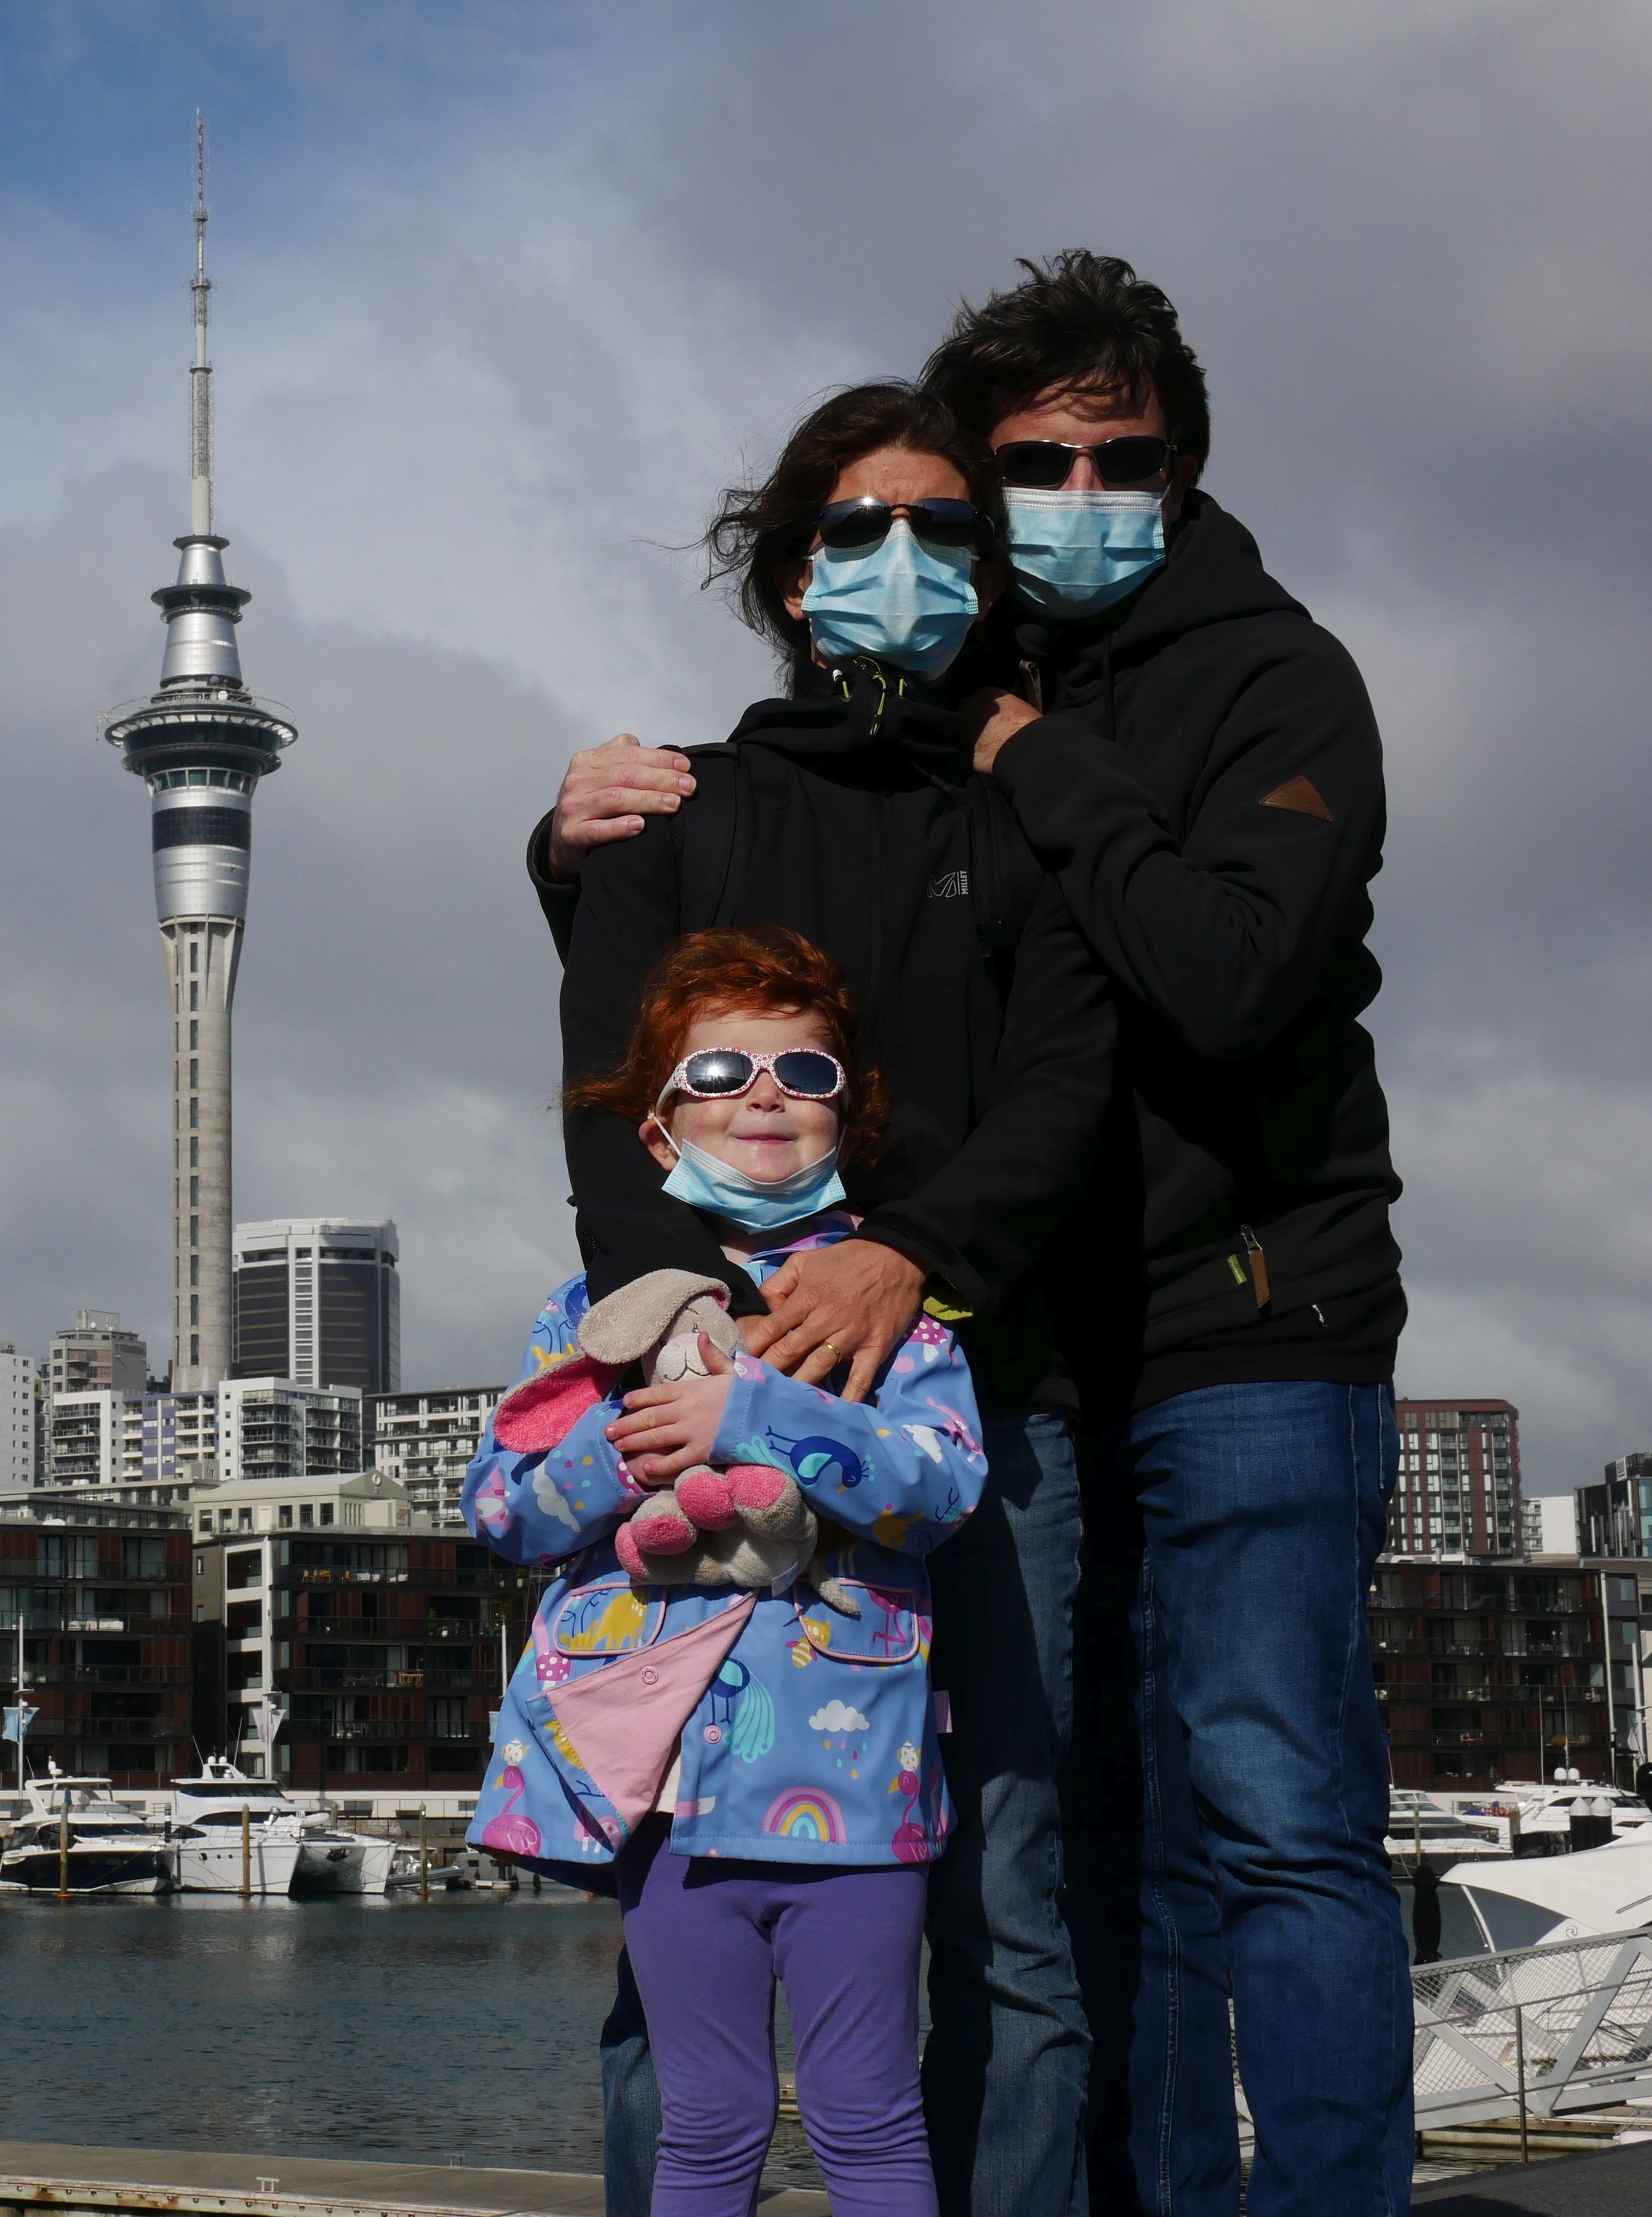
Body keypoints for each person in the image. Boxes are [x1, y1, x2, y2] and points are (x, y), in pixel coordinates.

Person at [534, 386, 1112, 2217]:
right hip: (696, 1393)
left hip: (982, 1403)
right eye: (860, 527)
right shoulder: (674, 810)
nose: (903, 560)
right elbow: (613, 1099)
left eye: (946, 528)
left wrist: (904, 1252)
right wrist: (704, 1338)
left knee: (1006, 1894)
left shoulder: (1029, 819)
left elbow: (1066, 1084)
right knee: (676, 1884)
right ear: (792, 572)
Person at [920, 253, 1411, 2216]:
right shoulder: (958, 680)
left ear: (1184, 467)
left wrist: (1042, 763)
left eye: (1119, 458)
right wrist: (578, 847)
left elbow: (1227, 978)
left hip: (1260, 1320)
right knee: (1099, 1837)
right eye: (1034, 464)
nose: (1081, 495)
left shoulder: (1281, 680)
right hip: (1042, 1354)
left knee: (1280, 1816)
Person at [463, 925, 988, 2217]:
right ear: (657, 1132)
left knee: (870, 2114)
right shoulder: (587, 1310)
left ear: (846, 1120)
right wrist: (625, 1447)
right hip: (664, 1800)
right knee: (705, 2118)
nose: (762, 1093)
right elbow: (503, 1510)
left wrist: (752, 1413)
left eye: (803, 1071)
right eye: (718, 1071)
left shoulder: (894, 1309)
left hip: (858, 1792)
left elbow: (940, 1488)